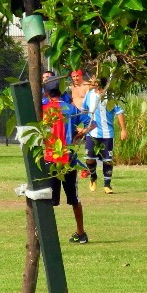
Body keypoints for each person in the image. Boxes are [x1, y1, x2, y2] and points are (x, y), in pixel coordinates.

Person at [42, 80, 95, 244]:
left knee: (47, 200)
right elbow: (92, 124)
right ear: (61, 92)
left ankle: (47, 236)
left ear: (46, 94)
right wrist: (78, 136)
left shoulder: (44, 110)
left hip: (51, 158)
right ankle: (81, 233)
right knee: (74, 199)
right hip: (69, 158)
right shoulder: (70, 108)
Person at [82, 77, 127, 194]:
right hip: (92, 133)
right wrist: (83, 127)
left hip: (107, 133)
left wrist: (123, 129)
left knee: (107, 160)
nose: (92, 82)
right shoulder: (89, 94)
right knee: (90, 158)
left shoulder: (110, 96)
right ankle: (93, 177)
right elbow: (84, 111)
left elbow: (119, 112)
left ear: (100, 83)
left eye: (94, 81)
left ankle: (107, 185)